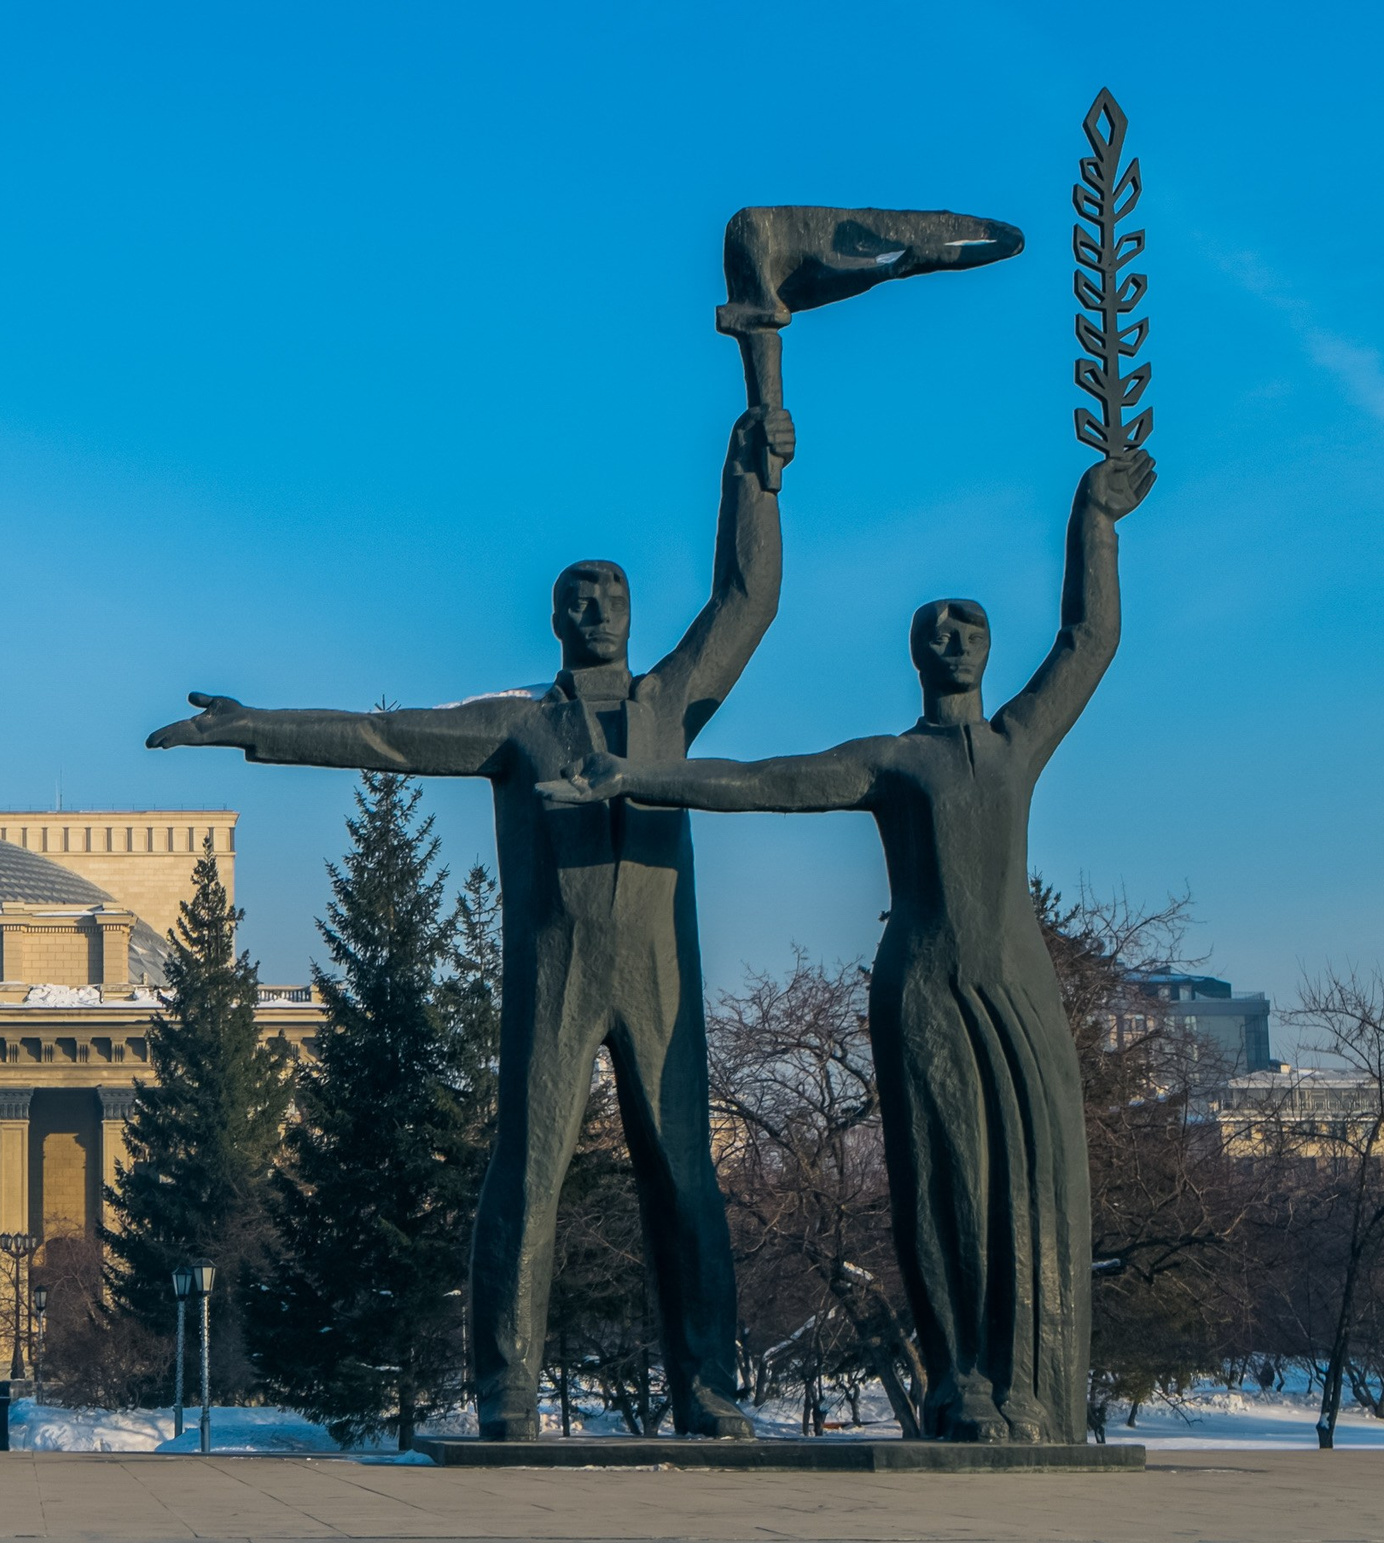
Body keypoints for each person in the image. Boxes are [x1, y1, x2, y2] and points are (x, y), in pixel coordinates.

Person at [150, 408, 794, 1439]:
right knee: (525, 1175)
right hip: (554, 974)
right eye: (577, 595)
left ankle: (707, 1388)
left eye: (612, 592)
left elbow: (746, 600)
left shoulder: (672, 702)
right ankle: (508, 1390)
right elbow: (383, 735)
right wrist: (253, 726)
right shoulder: (519, 723)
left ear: (633, 612)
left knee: (686, 1178)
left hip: (660, 975)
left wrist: (749, 476)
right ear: (554, 619)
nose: (596, 606)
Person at [542, 449, 1154, 1442]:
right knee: (941, 1179)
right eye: (936, 629)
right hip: (923, 985)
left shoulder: (1016, 741)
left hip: (1016, 986)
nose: (953, 639)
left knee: (1035, 1176)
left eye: (969, 627)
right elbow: (763, 780)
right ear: (914, 654)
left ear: (989, 649)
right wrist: (635, 778)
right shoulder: (890, 759)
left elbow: (1089, 640)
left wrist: (1095, 519)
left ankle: (1033, 1385)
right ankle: (960, 1378)